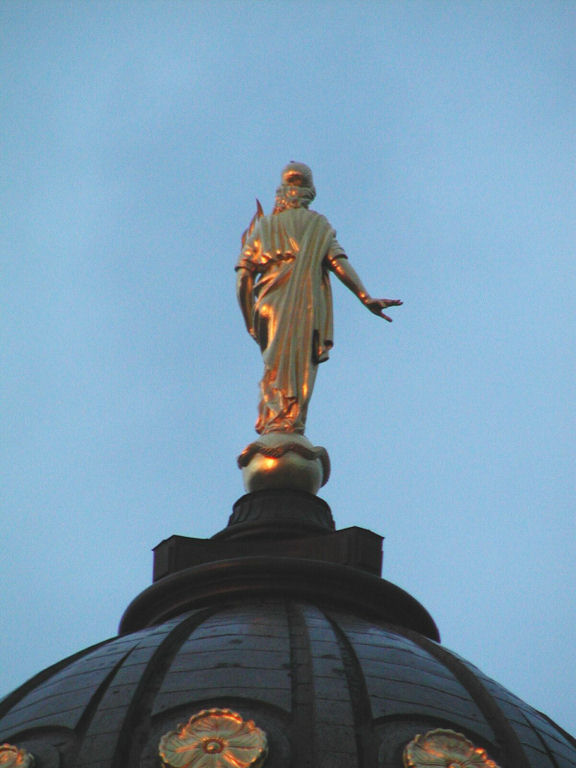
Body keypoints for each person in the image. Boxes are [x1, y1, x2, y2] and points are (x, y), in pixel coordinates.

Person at [236, 162, 402, 435]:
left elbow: (243, 277)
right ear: (308, 193)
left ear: (283, 192)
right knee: (297, 370)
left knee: (275, 367)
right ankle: (288, 422)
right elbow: (338, 262)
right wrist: (365, 297)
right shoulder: (317, 225)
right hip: (302, 306)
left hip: (267, 305)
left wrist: (250, 320)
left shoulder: (263, 227)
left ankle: (276, 423)